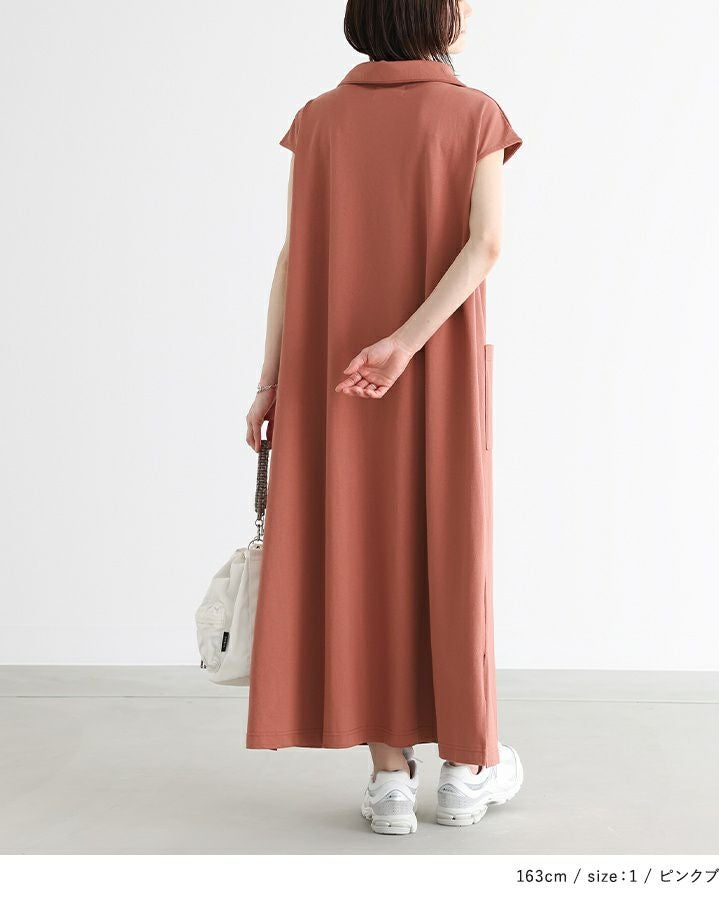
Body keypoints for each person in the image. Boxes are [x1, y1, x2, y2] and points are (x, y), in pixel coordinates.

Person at [245, 0, 524, 835]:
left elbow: (293, 256)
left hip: (331, 374)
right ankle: (466, 770)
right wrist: (405, 343)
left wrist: (270, 381)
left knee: (360, 552)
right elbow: (485, 245)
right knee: (451, 550)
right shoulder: (474, 114)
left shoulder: (319, 119)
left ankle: (390, 778)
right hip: (431, 367)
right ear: (434, 17)